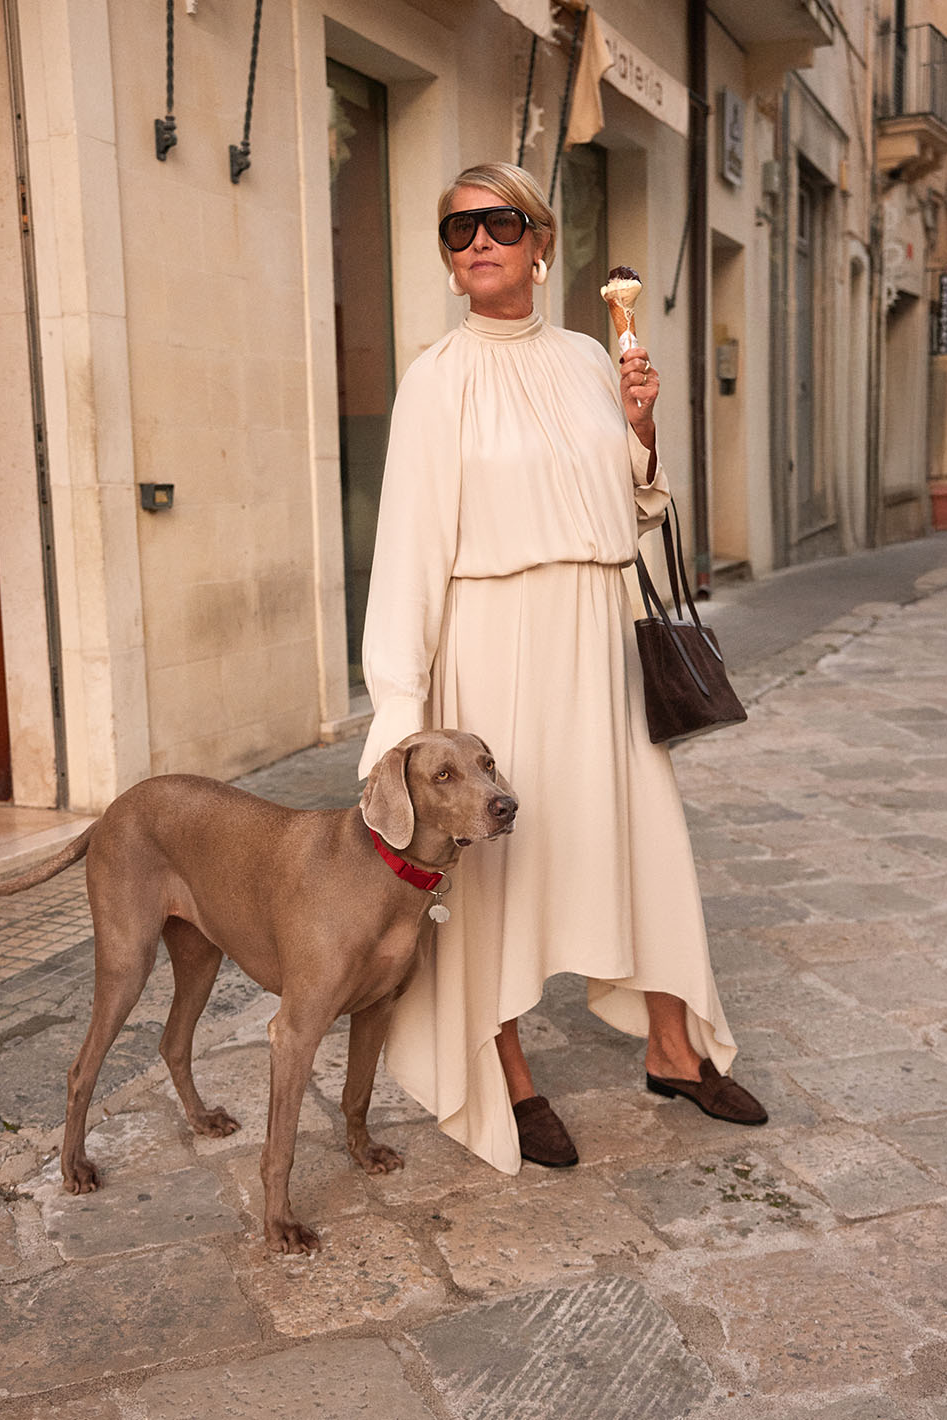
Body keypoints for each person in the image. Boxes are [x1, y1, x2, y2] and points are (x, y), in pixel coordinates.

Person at [357, 161, 765, 1173]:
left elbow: (635, 508)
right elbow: (406, 547)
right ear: (450, 264)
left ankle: (676, 1049)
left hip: (598, 633)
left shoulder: (593, 355)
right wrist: (401, 711)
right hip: (491, 643)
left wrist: (639, 427)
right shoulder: (435, 378)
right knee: (498, 869)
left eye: (500, 223)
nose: (479, 242)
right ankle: (510, 1075)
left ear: (543, 244)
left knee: (646, 842)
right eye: (458, 232)